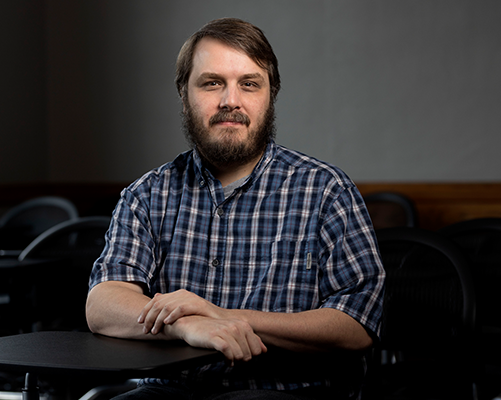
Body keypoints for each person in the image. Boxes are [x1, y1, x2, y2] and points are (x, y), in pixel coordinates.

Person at [86, 17, 385, 400]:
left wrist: (225, 318)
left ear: (270, 94)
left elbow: (357, 324)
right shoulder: (147, 195)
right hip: (170, 391)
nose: (231, 100)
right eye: (212, 83)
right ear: (184, 93)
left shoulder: (326, 190)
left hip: (288, 392)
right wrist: (185, 325)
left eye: (249, 84)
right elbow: (103, 304)